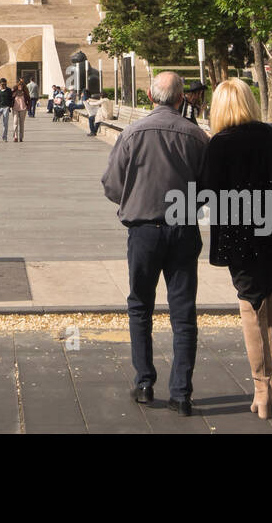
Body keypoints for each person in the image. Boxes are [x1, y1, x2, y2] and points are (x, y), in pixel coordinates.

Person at [100, 71, 209, 416]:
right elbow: (209, 188)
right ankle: (182, 392)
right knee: (183, 311)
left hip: (144, 229)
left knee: (140, 306)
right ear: (182, 98)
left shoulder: (132, 133)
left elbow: (112, 184)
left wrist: (134, 199)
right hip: (182, 228)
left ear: (150, 96)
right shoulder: (195, 136)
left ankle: (145, 381)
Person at [199, 78, 272, 420]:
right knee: (271, 296)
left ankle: (261, 388)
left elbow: (205, 193)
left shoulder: (219, 145)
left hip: (237, 234)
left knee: (250, 303)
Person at [0, 78, 13, 143]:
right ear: (0, 84)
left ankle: (5, 137)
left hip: (6, 107)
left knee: (5, 123)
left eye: (5, 84)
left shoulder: (8, 90)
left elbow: (11, 99)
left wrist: (10, 106)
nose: (4, 85)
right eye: (2, 84)